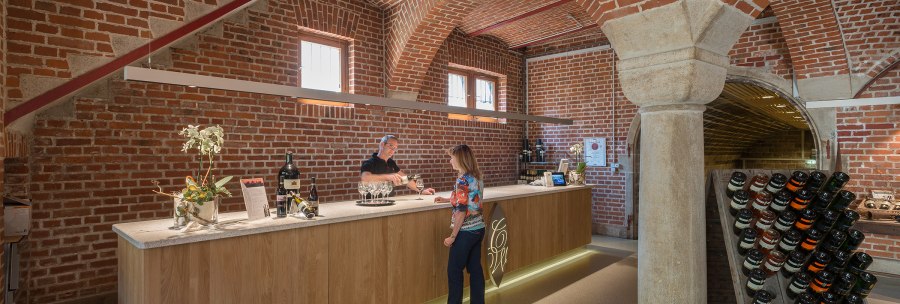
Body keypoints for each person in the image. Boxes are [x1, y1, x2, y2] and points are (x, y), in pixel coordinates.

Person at [433, 144, 485, 304]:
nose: (450, 161)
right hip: (479, 229)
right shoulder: (475, 176)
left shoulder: (462, 180)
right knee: (475, 269)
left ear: (460, 159)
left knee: (454, 272)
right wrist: (449, 199)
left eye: (452, 157)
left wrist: (453, 236)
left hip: (465, 232)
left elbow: (462, 211)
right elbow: (471, 202)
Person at [360, 135, 434, 195]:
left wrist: (421, 191)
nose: (393, 150)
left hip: (390, 201)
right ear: (382, 144)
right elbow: (365, 178)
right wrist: (388, 177)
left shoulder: (391, 162)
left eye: (395, 148)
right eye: (391, 146)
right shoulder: (369, 163)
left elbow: (405, 179)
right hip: (373, 203)